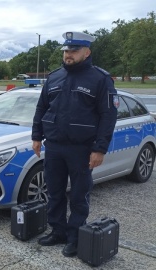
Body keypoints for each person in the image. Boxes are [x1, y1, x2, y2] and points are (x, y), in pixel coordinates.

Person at [31, 31, 118, 257]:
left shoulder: (100, 79)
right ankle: (57, 231)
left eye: (73, 51)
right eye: (66, 51)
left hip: (82, 149)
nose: (68, 55)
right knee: (55, 192)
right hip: (55, 146)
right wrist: (36, 136)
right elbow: (42, 108)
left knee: (79, 196)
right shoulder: (54, 77)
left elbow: (108, 116)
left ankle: (74, 237)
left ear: (86, 52)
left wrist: (100, 149)